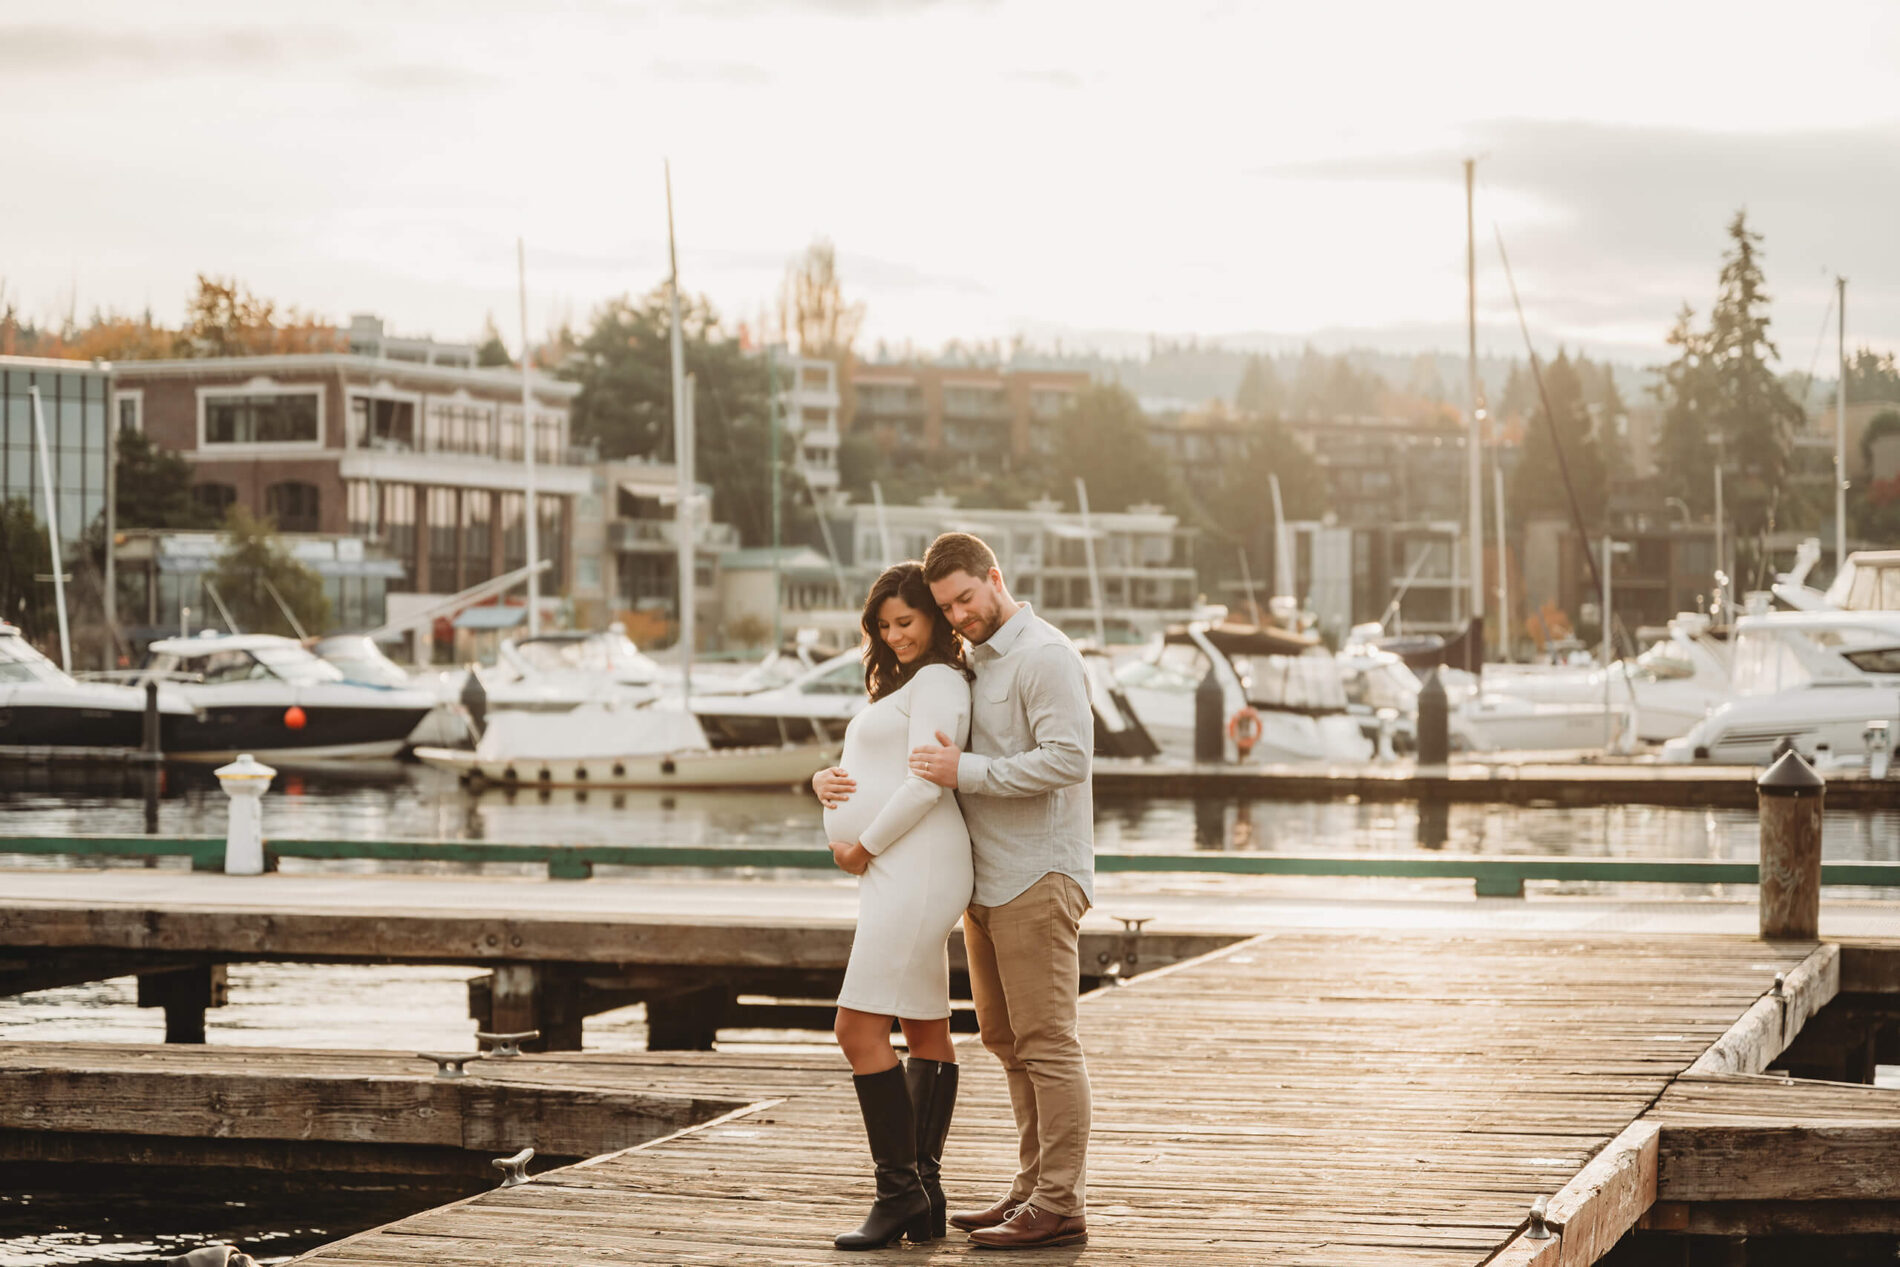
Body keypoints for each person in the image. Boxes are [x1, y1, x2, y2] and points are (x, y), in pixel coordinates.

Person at [910, 531, 1095, 1250]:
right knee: (1005, 1039)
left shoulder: (1044, 655)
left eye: (965, 598)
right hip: (985, 882)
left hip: (1038, 875)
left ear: (995, 577)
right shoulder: (976, 661)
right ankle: (1030, 1187)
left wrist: (968, 772)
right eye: (947, 607)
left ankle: (1060, 1201)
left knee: (1048, 1043)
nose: (959, 615)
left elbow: (1069, 758)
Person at [812, 561, 974, 1250]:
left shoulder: (939, 680)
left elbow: (927, 782)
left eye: (905, 621)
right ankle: (925, 1194)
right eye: (884, 625)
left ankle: (898, 1192)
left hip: (912, 862)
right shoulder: (910, 684)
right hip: (904, 865)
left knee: (856, 1029)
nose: (894, 634)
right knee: (926, 1027)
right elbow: (873, 765)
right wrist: (824, 780)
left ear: (934, 617)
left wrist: (863, 845)